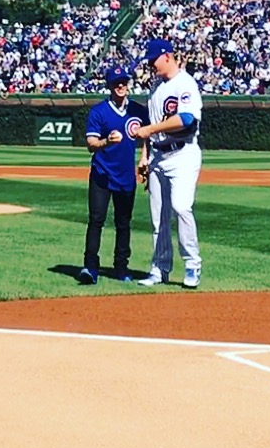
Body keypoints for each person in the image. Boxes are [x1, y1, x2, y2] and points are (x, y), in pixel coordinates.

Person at [132, 39, 204, 289]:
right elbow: (149, 127)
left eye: (154, 60)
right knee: (158, 218)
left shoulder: (185, 83)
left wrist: (151, 129)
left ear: (167, 56)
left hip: (182, 154)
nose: (151, 65)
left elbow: (186, 119)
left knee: (181, 207)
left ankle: (192, 263)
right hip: (158, 156)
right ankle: (159, 268)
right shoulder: (156, 86)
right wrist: (144, 156)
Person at [78, 65, 149, 285]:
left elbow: (149, 135)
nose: (121, 86)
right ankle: (90, 267)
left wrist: (144, 157)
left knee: (123, 223)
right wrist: (106, 142)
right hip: (102, 174)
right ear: (109, 85)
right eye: (116, 82)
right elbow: (91, 144)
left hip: (126, 176)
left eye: (124, 82)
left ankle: (121, 267)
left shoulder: (137, 110)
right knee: (96, 220)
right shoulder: (99, 111)